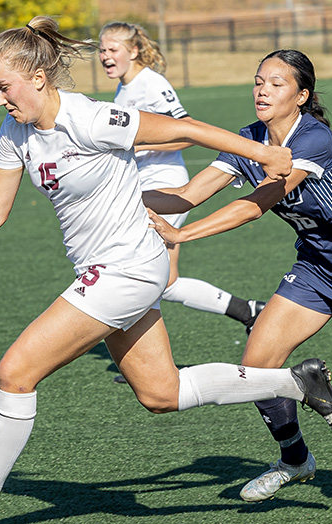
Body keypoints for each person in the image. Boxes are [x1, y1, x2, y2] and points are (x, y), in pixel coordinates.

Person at [0, 18, 332, 524]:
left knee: (15, 370)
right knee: (161, 393)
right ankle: (295, 382)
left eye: (4, 87)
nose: (0, 99)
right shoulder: (15, 132)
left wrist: (264, 153)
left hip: (128, 269)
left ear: (37, 77)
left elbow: (184, 129)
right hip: (110, 271)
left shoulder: (91, 118)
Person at [146, 49, 332, 508]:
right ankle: (295, 460)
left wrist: (182, 234)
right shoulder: (250, 140)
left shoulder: (313, 139)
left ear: (301, 95)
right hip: (315, 267)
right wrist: (119, 195)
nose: (262, 90)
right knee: (257, 368)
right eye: (258, 81)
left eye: (276, 83)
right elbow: (186, 195)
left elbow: (258, 203)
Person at [99, 22, 265, 334]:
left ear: (133, 51)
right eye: (102, 50)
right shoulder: (125, 87)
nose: (105, 56)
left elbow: (187, 131)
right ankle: (249, 311)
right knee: (167, 281)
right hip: (144, 183)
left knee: (136, 269)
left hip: (164, 184)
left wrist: (139, 143)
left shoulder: (150, 83)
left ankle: (143, 359)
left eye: (112, 49)